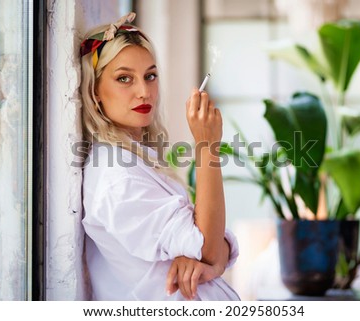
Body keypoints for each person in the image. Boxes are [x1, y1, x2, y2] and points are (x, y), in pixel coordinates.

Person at [80, 12, 240, 301]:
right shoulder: (116, 177)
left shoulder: (137, 160)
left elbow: (214, 244)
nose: (144, 92)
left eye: (150, 76)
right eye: (124, 78)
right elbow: (207, 245)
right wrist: (206, 145)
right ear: (95, 91)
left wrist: (211, 263)